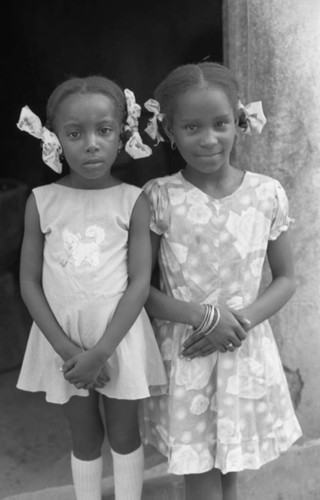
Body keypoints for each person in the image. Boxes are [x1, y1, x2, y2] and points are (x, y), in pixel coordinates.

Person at [140, 62, 302, 500]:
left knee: (232, 469)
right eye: (192, 127)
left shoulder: (267, 193)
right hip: (188, 352)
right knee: (201, 479)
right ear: (170, 130)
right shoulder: (159, 197)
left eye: (220, 124)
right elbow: (140, 290)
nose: (208, 138)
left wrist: (238, 321)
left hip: (243, 348)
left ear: (239, 122)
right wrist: (206, 318)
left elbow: (286, 278)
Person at [16, 75, 167, 500]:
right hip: (61, 340)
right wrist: (70, 353)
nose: (91, 144)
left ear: (123, 133)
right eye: (74, 133)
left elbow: (140, 282)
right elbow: (29, 282)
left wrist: (101, 353)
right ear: (55, 138)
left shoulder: (134, 199)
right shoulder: (41, 200)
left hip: (118, 338)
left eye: (104, 130)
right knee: (83, 437)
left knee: (123, 434)